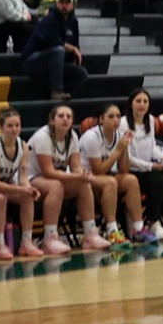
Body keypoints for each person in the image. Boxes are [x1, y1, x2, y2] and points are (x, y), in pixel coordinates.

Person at [28, 104, 110, 251]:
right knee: (56, 186)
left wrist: (83, 174)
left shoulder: (72, 136)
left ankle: (90, 234)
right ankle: (49, 238)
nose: (65, 119)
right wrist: (76, 176)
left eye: (68, 117)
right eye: (60, 116)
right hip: (31, 178)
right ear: (52, 120)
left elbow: (76, 166)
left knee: (83, 184)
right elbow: (48, 172)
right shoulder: (42, 137)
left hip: (55, 178)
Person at [0, 107, 51, 259]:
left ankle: (26, 242)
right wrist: (20, 190)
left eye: (17, 125)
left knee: (28, 196)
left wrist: (28, 188)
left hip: (5, 185)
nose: (14, 129)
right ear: (1, 127)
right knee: (0, 198)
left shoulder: (23, 146)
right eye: (10, 126)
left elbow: (23, 177)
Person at [78, 104, 151, 244]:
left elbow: (123, 169)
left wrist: (124, 148)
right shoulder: (91, 137)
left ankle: (138, 229)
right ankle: (112, 231)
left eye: (118, 116)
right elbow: (98, 171)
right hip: (83, 179)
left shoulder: (118, 134)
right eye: (111, 116)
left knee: (131, 180)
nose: (116, 120)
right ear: (101, 119)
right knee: (110, 182)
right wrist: (118, 150)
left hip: (102, 177)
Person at [126, 89, 163, 238]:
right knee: (158, 180)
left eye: (145, 101)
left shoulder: (150, 120)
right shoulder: (123, 124)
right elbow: (128, 158)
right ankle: (153, 223)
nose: (142, 105)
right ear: (131, 104)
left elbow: (152, 147)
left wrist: (162, 157)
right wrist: (151, 166)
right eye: (138, 101)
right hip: (132, 170)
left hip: (148, 167)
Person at [23, 0, 86, 100]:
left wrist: (74, 58)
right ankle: (56, 91)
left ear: (73, 5)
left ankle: (64, 99)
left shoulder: (73, 22)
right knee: (58, 50)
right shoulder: (49, 18)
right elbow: (48, 39)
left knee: (81, 73)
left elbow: (75, 44)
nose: (64, 5)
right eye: (62, 2)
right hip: (35, 60)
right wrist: (70, 47)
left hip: (56, 64)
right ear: (56, 4)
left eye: (67, 3)